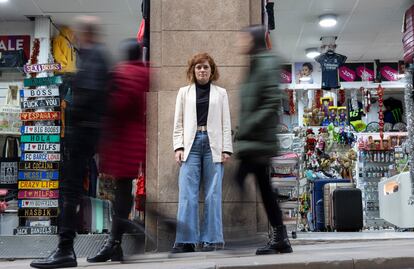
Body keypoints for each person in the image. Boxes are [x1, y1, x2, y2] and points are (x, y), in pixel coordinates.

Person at [30, 16, 110, 269]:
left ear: (85, 33)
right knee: (70, 192)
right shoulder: (95, 56)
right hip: (86, 134)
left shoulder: (93, 57)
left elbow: (90, 95)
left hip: (82, 135)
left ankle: (65, 249)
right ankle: (65, 248)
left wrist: (75, 117)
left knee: (69, 192)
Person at [86, 39, 149, 263]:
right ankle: (115, 246)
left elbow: (117, 106)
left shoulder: (124, 74)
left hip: (122, 143)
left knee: (120, 199)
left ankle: (132, 233)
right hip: (133, 143)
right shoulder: (142, 73)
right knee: (122, 196)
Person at [235, 25, 292, 255]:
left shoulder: (266, 64)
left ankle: (241, 229)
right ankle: (280, 237)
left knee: (240, 180)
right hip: (254, 140)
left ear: (253, 40)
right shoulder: (256, 63)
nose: (239, 42)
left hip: (259, 140)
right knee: (263, 188)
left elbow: (270, 102)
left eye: (243, 38)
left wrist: (247, 127)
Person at [172, 52, 233, 253]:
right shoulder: (184, 92)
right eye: (198, 67)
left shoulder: (221, 93)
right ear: (193, 70)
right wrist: (178, 146)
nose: (202, 70)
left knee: (213, 194)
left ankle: (211, 239)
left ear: (212, 70)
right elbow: (178, 122)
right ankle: (186, 240)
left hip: (213, 145)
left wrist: (226, 149)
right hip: (191, 145)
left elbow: (226, 123)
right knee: (187, 193)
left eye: (206, 67)